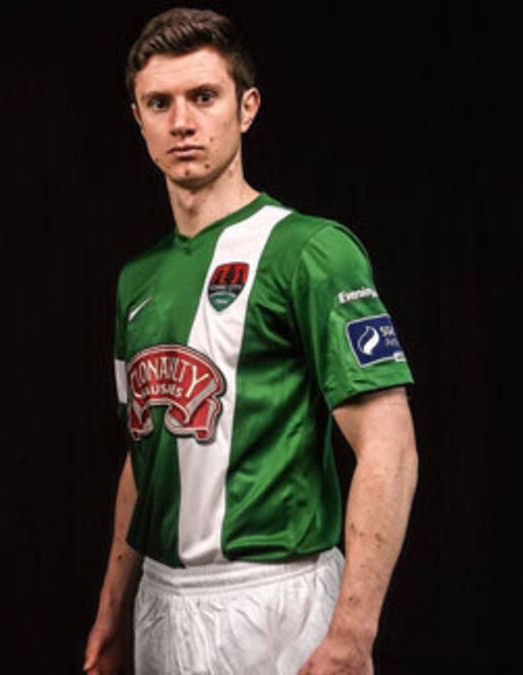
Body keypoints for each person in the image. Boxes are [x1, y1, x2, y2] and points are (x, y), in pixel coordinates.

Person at [82, 8, 419, 675]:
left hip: (276, 599)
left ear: (247, 107)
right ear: (139, 119)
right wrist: (111, 612)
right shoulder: (137, 279)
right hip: (160, 601)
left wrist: (353, 630)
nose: (182, 122)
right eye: (160, 103)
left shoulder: (309, 251)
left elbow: (390, 446)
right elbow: (143, 455)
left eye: (204, 96)